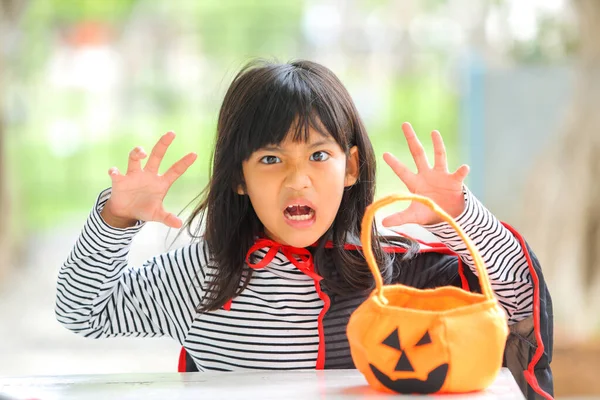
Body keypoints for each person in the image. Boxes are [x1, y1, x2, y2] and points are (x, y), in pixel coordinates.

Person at [55, 59, 553, 399]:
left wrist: (461, 213)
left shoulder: (388, 269)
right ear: (239, 180)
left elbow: (516, 305)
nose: (297, 180)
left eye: (318, 155)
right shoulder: (205, 271)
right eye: (271, 159)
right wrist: (115, 220)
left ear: (352, 167)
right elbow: (83, 312)